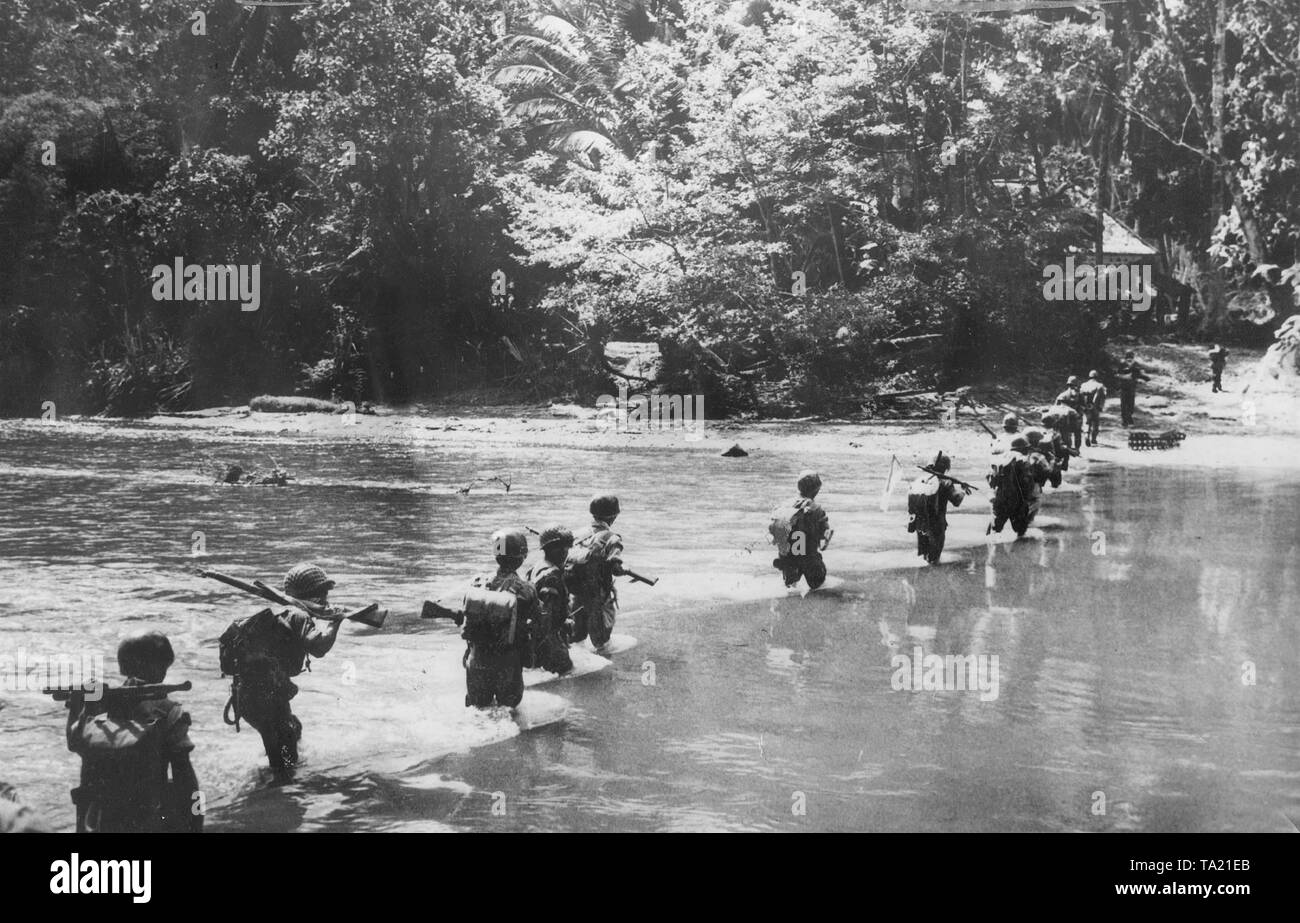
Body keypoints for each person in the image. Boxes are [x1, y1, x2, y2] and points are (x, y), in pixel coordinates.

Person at [66, 631, 202, 833]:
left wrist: (78, 706)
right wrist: (196, 823)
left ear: (123, 665)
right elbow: (186, 779)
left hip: (100, 819)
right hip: (148, 817)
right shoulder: (168, 711)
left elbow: (74, 741)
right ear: (158, 668)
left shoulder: (100, 707)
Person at [219, 563, 345, 773]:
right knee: (285, 762)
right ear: (315, 595)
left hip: (246, 697)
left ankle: (273, 782)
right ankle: (277, 792)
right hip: (268, 699)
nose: (326, 600)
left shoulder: (278, 613)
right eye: (324, 594)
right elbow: (319, 647)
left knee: (292, 731)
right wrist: (335, 622)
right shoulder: (299, 615)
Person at [465, 529, 535, 708]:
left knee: (478, 709)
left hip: (477, 657)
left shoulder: (478, 582)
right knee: (508, 710)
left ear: (496, 554)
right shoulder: (526, 589)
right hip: (507, 661)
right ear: (522, 557)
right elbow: (538, 624)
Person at [567, 494, 627, 649]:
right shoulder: (612, 538)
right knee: (601, 641)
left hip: (575, 593)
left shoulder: (576, 534)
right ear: (614, 516)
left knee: (575, 637)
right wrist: (624, 570)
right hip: (597, 596)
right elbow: (615, 569)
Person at [525, 525, 576, 675]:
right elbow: (545, 615)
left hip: (538, 633)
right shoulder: (552, 576)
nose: (566, 552)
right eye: (564, 548)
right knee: (566, 669)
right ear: (556, 550)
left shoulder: (536, 567)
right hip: (548, 636)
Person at [771, 470, 832, 589]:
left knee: (790, 587)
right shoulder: (816, 509)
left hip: (788, 557)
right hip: (808, 558)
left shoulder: (783, 505)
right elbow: (824, 534)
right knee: (818, 585)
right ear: (816, 490)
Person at [906, 452, 969, 564]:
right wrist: (963, 490)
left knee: (924, 556)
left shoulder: (921, 481)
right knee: (934, 559)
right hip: (936, 525)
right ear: (945, 468)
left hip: (920, 524)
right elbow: (956, 500)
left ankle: (922, 578)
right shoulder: (946, 483)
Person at [987, 437, 1038, 537]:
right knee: (1021, 531)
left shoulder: (999, 458)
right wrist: (1028, 498)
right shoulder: (1023, 460)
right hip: (1017, 499)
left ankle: (992, 549)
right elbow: (1027, 481)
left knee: (995, 529)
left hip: (1000, 496)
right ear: (1022, 448)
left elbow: (990, 478)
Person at [1115, 351, 1150, 426]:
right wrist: (1125, 377)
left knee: (1130, 404)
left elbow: (1140, 373)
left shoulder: (1135, 364)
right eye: (1128, 357)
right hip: (1124, 387)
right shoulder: (1122, 364)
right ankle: (1125, 421)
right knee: (1124, 404)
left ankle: (1128, 418)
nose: (1129, 359)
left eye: (1130, 357)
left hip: (1131, 387)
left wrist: (1144, 377)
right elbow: (1117, 374)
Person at [1053, 376, 1085, 451]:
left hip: (1064, 419)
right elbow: (1083, 406)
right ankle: (1077, 449)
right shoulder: (1079, 395)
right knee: (1077, 434)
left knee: (1065, 434)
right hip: (1075, 419)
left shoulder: (1062, 395)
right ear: (1076, 384)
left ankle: (1068, 448)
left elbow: (1055, 408)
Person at [1079, 370, 1108, 446]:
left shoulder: (1083, 385)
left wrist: (1082, 406)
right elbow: (1103, 397)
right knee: (1095, 423)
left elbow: (1080, 396)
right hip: (1095, 407)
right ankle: (1093, 439)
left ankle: (1086, 436)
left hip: (1086, 406)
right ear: (1097, 376)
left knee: (1087, 422)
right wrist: (1101, 407)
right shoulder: (1100, 385)